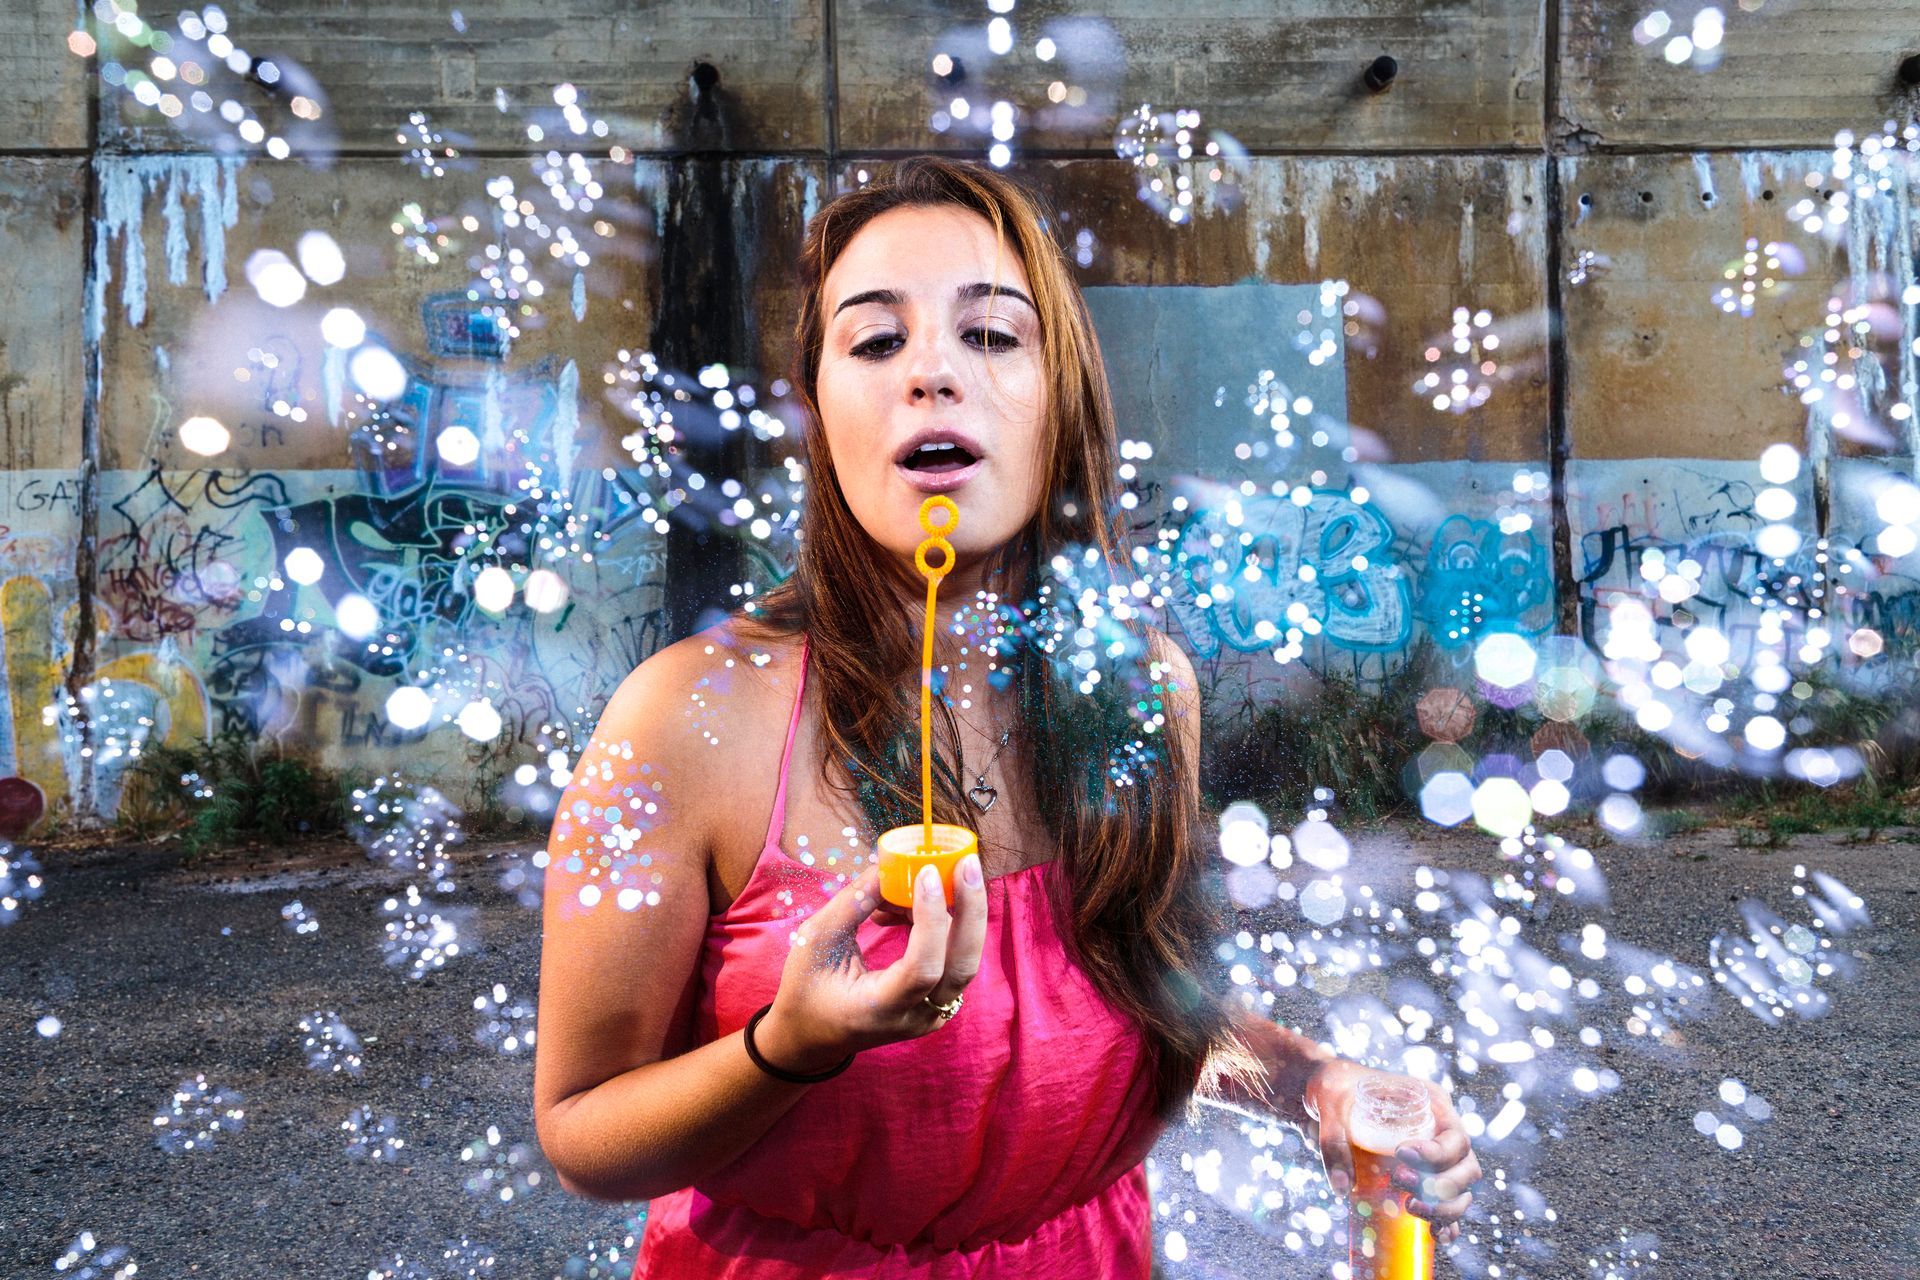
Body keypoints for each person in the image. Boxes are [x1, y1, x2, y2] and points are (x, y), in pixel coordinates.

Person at [532, 156, 1482, 1277]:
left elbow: (1155, 995)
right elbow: (583, 1133)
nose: (931, 370)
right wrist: (785, 1049)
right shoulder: (683, 715)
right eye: (876, 341)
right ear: (819, 409)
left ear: (1060, 395)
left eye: (991, 335)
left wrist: (1313, 1081)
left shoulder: (1147, 690)